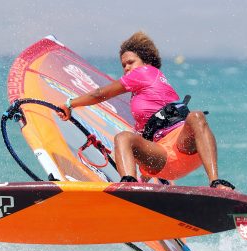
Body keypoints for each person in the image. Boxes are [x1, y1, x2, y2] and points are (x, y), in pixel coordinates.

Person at [56, 31, 234, 190]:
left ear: (146, 61)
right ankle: (130, 186)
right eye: (124, 65)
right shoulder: (141, 96)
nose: (126, 68)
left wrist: (71, 104)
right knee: (124, 137)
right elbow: (145, 139)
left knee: (196, 116)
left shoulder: (146, 72)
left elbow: (99, 94)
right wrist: (148, 178)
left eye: (130, 62)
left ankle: (216, 182)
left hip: (183, 145)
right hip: (162, 157)